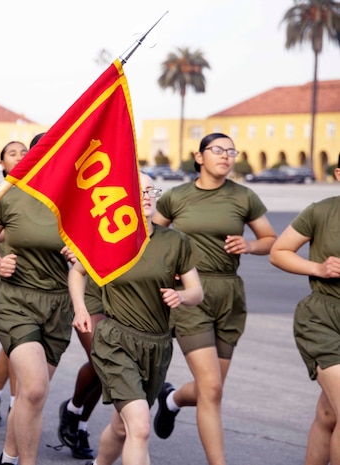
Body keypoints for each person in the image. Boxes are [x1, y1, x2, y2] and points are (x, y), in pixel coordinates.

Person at [152, 132, 277, 465]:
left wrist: (249, 246)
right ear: (199, 156)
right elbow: (149, 237)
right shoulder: (176, 197)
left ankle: (172, 400)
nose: (226, 155)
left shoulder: (243, 196)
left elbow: (269, 239)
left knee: (213, 388)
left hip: (230, 295)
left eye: (231, 151)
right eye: (218, 150)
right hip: (192, 297)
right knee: (211, 389)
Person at [69, 173, 203, 465]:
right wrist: (80, 308)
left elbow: (197, 292)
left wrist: (181, 297)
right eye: (138, 190)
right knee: (140, 427)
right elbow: (77, 271)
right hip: (116, 341)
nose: (146, 195)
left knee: (122, 428)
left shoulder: (176, 242)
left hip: (157, 346)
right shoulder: (109, 234)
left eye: (151, 190)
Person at [0, 139, 73, 465]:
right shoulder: (10, 195)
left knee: (33, 397)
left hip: (60, 304)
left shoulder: (78, 200)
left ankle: (8, 457)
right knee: (33, 389)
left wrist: (81, 257)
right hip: (16, 299)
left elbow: (102, 251)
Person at [269, 158, 340, 465]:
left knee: (328, 412)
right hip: (323, 317)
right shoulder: (321, 211)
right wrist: (319, 268)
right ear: (338, 174)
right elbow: (279, 251)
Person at [0, 138, 31, 429]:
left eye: (24, 152)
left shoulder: (41, 192)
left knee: (14, 344)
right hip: (5, 270)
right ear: (2, 162)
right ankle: (15, 403)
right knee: (17, 342)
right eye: (12, 154)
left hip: (37, 274)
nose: (19, 157)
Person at [57, 276, 106, 459]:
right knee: (102, 357)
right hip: (94, 293)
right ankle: (74, 409)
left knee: (110, 370)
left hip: (128, 296)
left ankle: (80, 425)